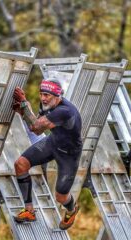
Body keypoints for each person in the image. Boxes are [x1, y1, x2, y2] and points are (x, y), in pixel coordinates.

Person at [12, 78, 82, 230]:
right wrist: (24, 111)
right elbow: (38, 123)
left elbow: (36, 128)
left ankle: (72, 209)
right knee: (20, 164)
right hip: (53, 142)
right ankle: (29, 211)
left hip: (69, 154)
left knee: (60, 196)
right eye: (41, 94)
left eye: (47, 95)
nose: (43, 98)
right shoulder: (46, 104)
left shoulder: (65, 111)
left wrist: (24, 105)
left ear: (57, 95)